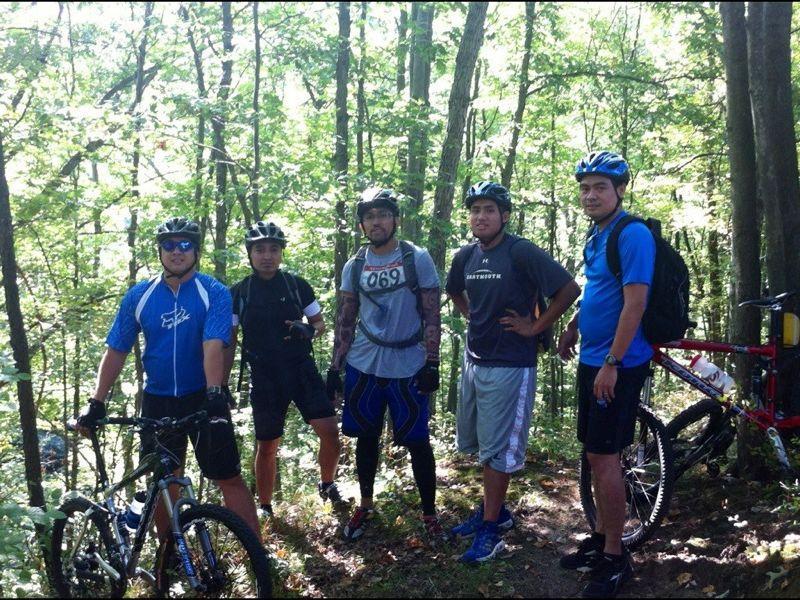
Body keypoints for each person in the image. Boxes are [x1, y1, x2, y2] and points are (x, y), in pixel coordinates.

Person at [77, 217, 260, 539]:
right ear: (160, 251)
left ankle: (257, 554)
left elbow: (213, 344)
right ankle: (169, 556)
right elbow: (117, 349)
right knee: (164, 482)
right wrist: (96, 401)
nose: (177, 251)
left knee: (228, 476)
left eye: (185, 244)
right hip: (157, 401)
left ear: (196, 251)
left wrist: (215, 393)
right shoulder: (139, 296)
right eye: (169, 245)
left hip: (202, 396)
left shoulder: (213, 292)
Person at [445, 181, 580, 564]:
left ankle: (491, 531)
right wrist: (473, 316)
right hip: (475, 361)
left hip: (511, 364)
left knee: (500, 449)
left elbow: (568, 289)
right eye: (475, 210)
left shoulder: (520, 251)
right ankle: (496, 512)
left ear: (504, 215)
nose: (481, 217)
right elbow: (454, 290)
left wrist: (536, 327)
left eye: (489, 210)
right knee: (482, 445)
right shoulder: (466, 256)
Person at [557, 151, 655, 598]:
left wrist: (612, 363)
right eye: (585, 188)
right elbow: (598, 290)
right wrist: (573, 325)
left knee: (605, 456)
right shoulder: (597, 234)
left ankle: (616, 557)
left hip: (619, 364)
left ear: (620, 190)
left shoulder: (632, 234)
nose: (590, 195)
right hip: (593, 359)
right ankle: (601, 541)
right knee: (595, 454)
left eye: (600, 187)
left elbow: (635, 303)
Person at [327, 188, 445, 543]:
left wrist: (433, 361)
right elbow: (346, 318)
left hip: (409, 364)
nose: (376, 221)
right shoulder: (355, 265)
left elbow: (431, 313)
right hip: (363, 364)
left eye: (383, 214)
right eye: (369, 216)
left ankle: (429, 513)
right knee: (366, 438)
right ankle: (365, 504)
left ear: (395, 219)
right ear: (361, 225)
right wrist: (334, 368)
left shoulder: (416, 258)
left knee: (418, 441)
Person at [224, 221, 342, 519]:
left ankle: (327, 484)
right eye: (260, 250)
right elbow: (230, 340)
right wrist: (220, 384)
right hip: (264, 375)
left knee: (330, 431)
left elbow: (319, 323)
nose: (267, 256)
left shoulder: (296, 285)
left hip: (301, 369)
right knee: (267, 445)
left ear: (281, 253)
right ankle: (265, 506)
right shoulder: (238, 293)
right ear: (250, 254)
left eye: (274, 249)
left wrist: (308, 329)